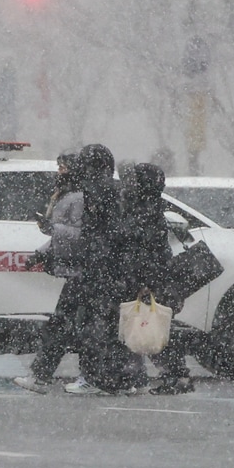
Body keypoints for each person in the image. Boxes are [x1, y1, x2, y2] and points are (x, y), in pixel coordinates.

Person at [73, 143, 147, 395]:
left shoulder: (97, 191)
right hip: (119, 270)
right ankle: (129, 377)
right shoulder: (118, 190)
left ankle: (95, 377)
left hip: (102, 270)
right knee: (121, 326)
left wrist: (96, 256)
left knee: (97, 327)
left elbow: (104, 231)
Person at [14, 152, 87, 394]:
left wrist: (52, 228)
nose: (59, 172)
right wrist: (41, 252)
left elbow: (80, 234)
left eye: (63, 168)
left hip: (80, 271)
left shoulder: (78, 197)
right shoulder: (67, 194)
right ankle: (128, 378)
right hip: (76, 271)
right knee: (76, 326)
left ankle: (41, 376)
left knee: (61, 326)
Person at [120, 162, 193, 394]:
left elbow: (145, 250)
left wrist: (144, 282)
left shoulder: (143, 209)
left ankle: (174, 376)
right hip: (155, 276)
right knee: (153, 327)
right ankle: (174, 376)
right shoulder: (153, 206)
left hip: (148, 279)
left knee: (151, 328)